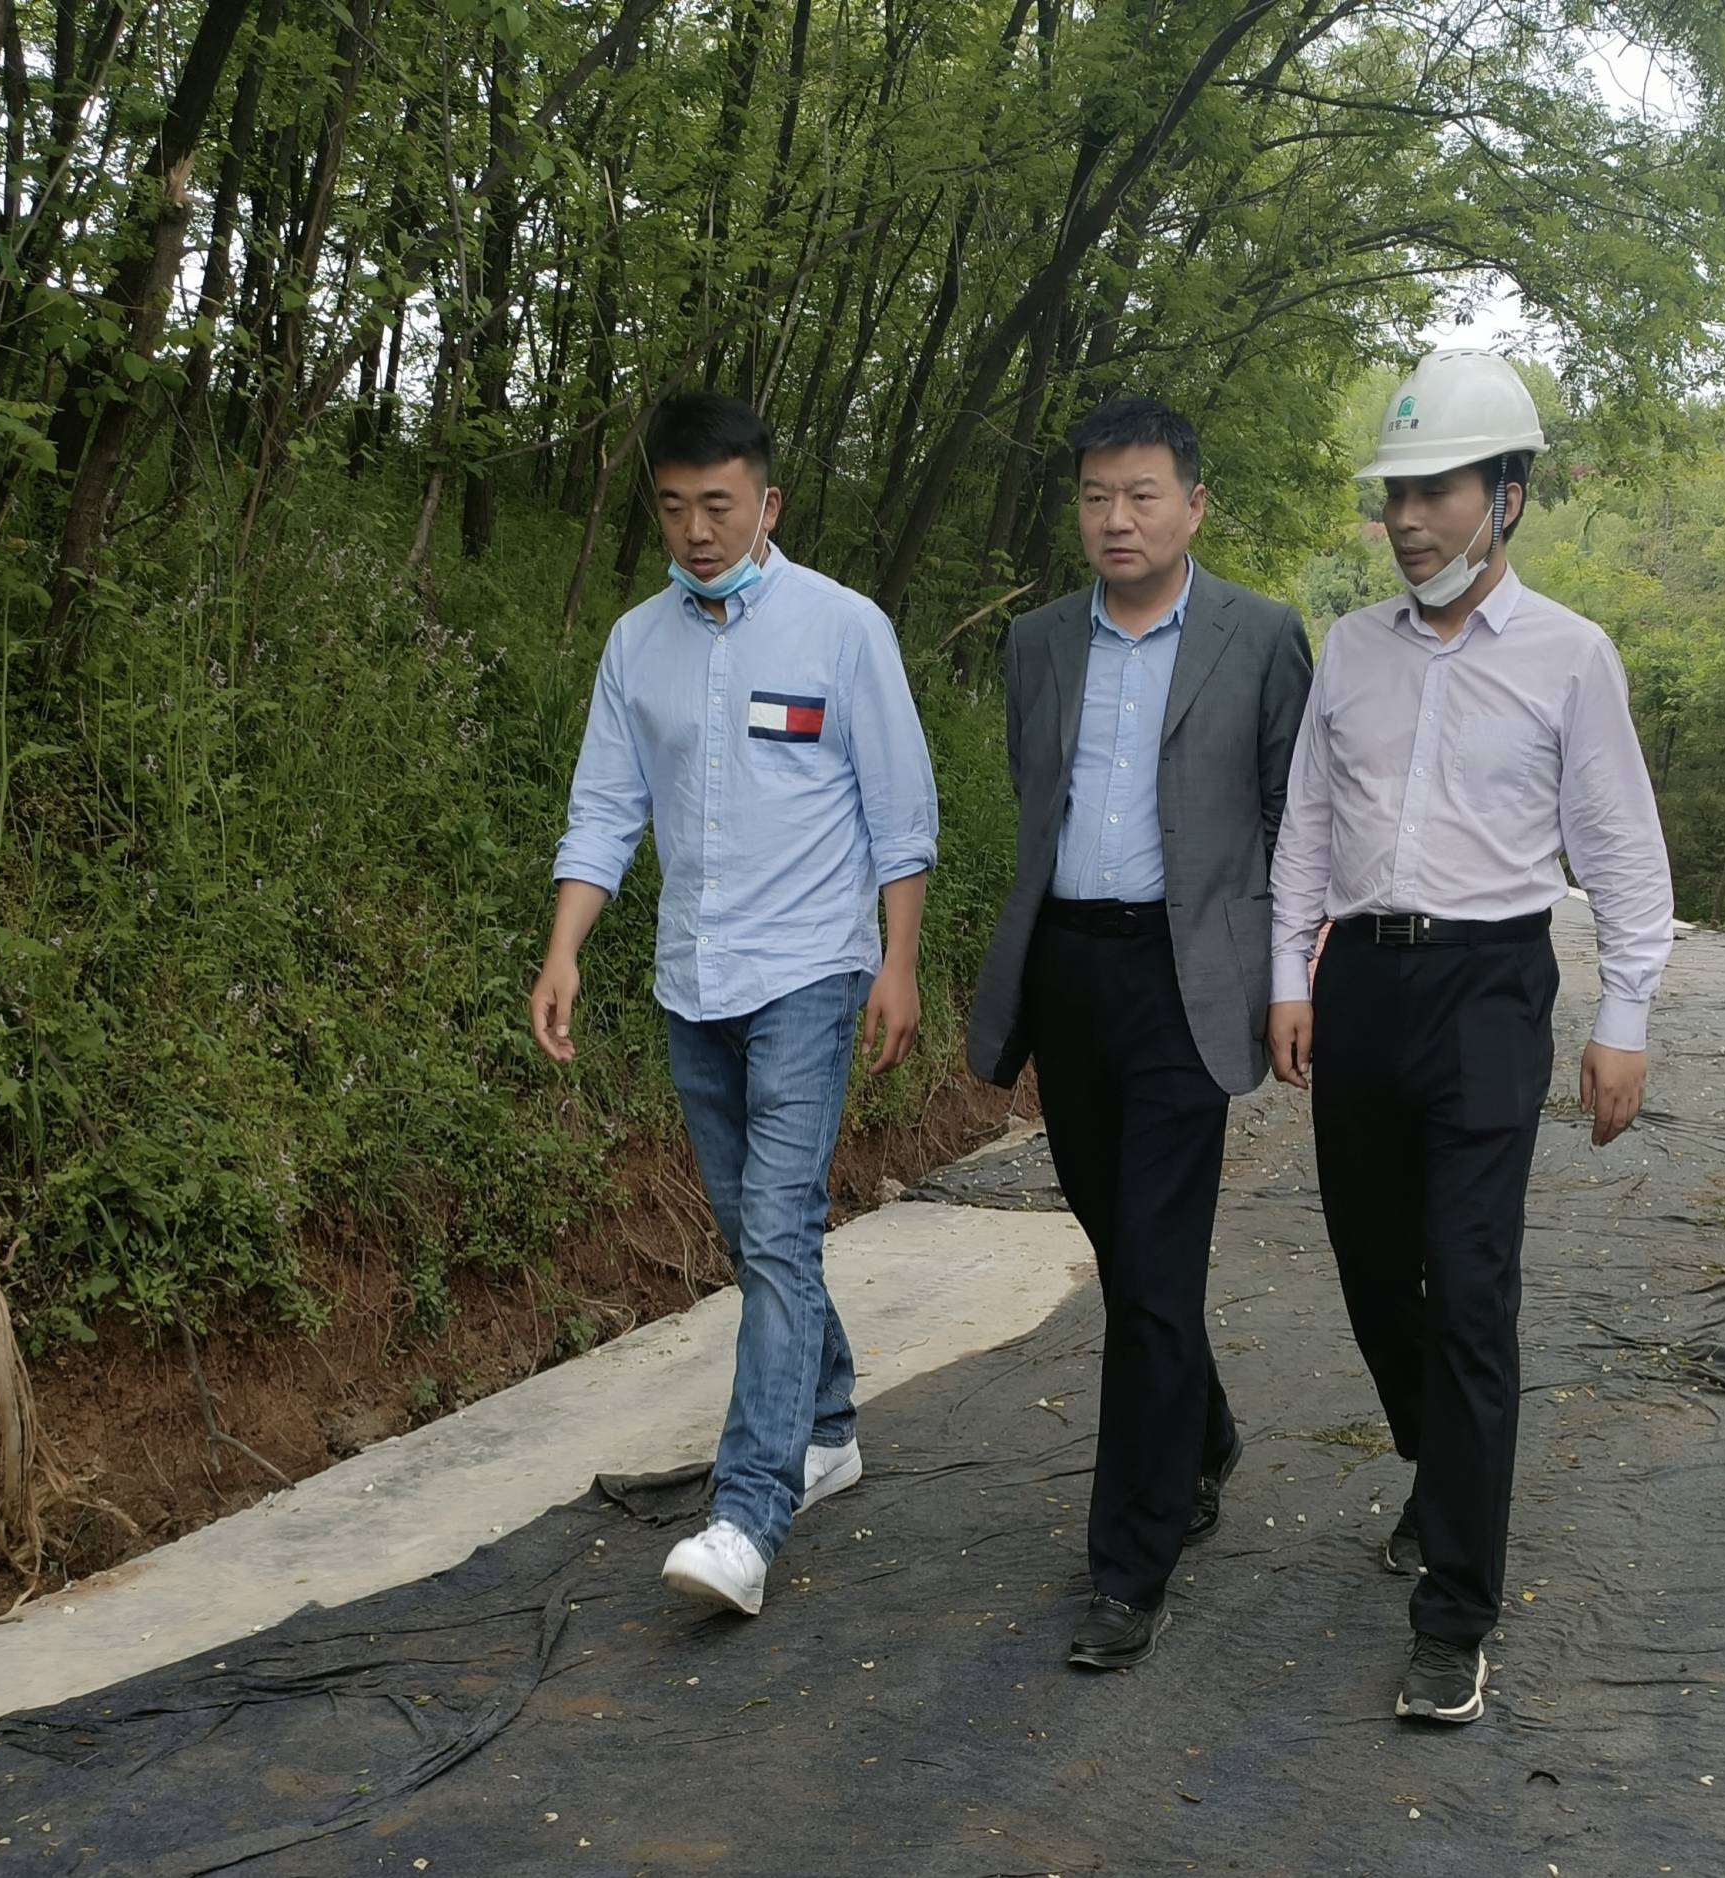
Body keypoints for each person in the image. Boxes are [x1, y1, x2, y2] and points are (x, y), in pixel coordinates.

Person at [1266, 350, 1673, 1724]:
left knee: (1473, 1284)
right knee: (1375, 1272)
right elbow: (1305, 826)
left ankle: (1456, 1612)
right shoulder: (1351, 650)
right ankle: (1442, 1470)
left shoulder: (1569, 656)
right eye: (1393, 495)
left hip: (1492, 987)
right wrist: (1289, 974)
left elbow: (1623, 852)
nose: (1406, 520)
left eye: (1433, 492)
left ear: (1506, 494)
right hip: (1362, 988)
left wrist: (1623, 1018)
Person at [529, 390, 938, 1619]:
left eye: (719, 505)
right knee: (759, 1232)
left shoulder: (843, 629)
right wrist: (563, 951)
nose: (697, 531)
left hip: (809, 970)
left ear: (768, 503)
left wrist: (899, 963)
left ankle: (749, 1515)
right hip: (691, 980)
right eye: (674, 507)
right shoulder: (635, 646)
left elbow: (899, 812)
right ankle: (829, 1424)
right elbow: (605, 809)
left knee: (775, 1230)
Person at [967, 395, 1314, 1671]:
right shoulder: (1037, 643)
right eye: (1096, 496)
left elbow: (1293, 819)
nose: (1117, 518)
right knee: (1123, 1248)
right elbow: (1033, 795)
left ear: (1193, 505)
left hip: (1190, 982)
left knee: (1157, 1272)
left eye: (1142, 495)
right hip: (1071, 970)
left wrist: (1288, 977)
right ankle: (1202, 1431)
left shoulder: (1261, 637)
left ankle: (1130, 1566)